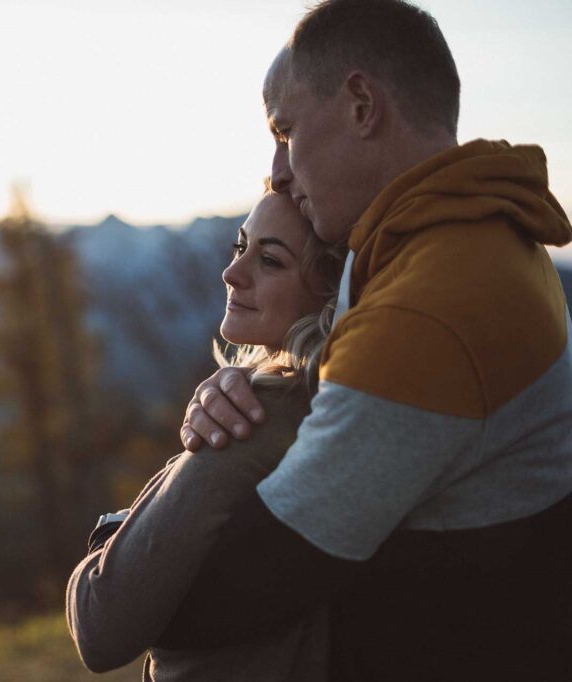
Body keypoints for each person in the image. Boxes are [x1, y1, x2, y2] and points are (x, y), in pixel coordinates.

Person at [171, 1, 572, 680]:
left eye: (286, 129)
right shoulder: (476, 235)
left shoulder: (428, 308)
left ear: (361, 105)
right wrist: (249, 383)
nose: (279, 171)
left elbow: (249, 578)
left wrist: (120, 553)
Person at [66, 184, 347, 681]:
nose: (231, 272)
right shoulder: (329, 401)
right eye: (241, 247)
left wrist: (107, 539)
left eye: (271, 261)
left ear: (328, 293)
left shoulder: (256, 420)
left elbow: (100, 625)